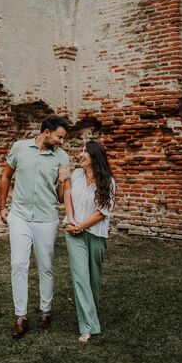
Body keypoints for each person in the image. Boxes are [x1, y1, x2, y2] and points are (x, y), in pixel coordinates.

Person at [0, 115, 70, 339]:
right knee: (18, 264)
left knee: (45, 265)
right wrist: (2, 207)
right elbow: (6, 175)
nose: (61, 142)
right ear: (46, 132)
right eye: (59, 137)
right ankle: (21, 317)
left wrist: (61, 180)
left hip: (46, 218)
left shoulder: (62, 157)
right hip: (19, 216)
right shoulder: (19, 148)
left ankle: (45, 311)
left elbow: (61, 197)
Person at [64, 140, 115, 344]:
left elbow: (102, 212)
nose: (81, 153)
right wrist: (71, 219)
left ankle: (90, 313)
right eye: (81, 150)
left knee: (94, 279)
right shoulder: (75, 175)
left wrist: (80, 226)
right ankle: (87, 326)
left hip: (95, 233)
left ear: (95, 156)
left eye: (85, 151)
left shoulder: (109, 181)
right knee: (80, 278)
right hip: (73, 232)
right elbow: (66, 195)